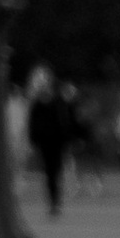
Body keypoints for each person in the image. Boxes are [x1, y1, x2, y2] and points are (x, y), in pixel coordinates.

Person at [25, 66, 75, 217]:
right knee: (49, 172)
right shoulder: (38, 104)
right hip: (45, 142)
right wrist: (34, 140)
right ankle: (53, 201)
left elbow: (65, 121)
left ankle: (55, 201)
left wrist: (67, 139)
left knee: (55, 171)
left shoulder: (58, 101)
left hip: (57, 142)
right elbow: (33, 123)